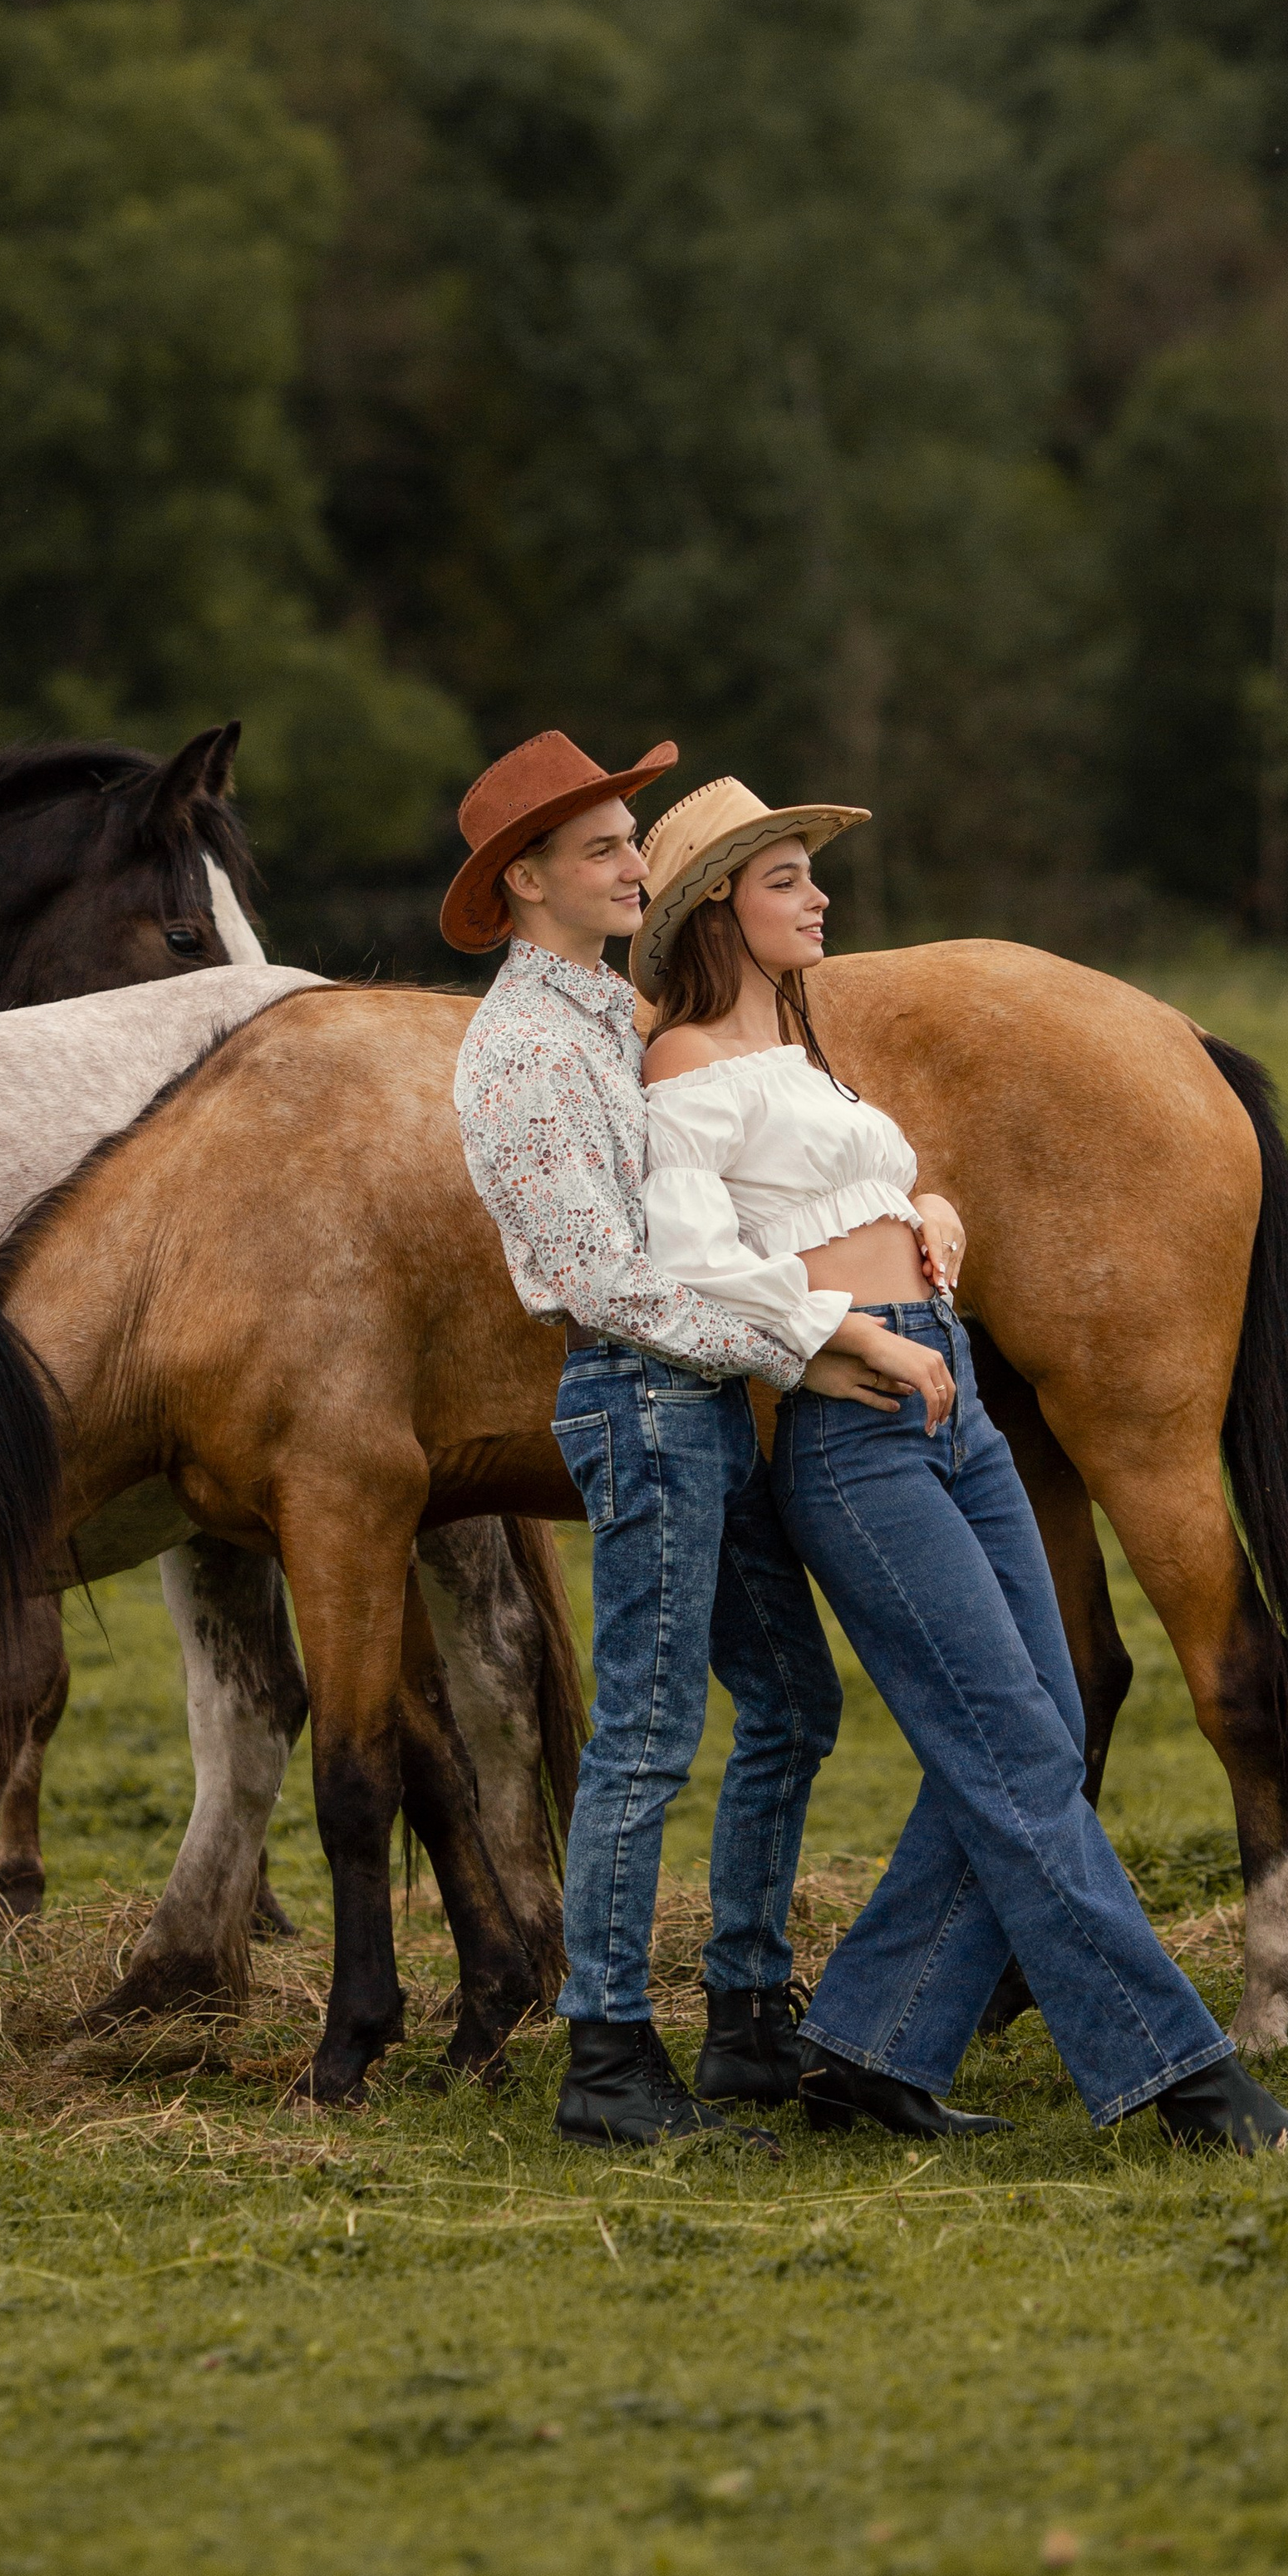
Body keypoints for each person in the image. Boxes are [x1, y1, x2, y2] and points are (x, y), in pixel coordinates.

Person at [633, 775, 1288, 2156]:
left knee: (1056, 1718)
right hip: (863, 1419)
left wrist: (929, 1206)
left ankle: (867, 2046)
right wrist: (844, 1338)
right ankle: (1183, 2077)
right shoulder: (684, 1063)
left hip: (950, 1387)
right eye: (785, 876)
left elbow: (853, 1187)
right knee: (1014, 1745)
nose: (818, 894)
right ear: (720, 903)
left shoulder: (800, 1040)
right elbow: (691, 1262)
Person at [445, 732, 864, 2150]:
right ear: (526, 882)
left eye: (635, 840)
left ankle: (746, 2016)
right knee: (644, 1731)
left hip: (706, 1401)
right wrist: (811, 1337)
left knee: (797, 1701)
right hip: (642, 1400)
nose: (641, 865)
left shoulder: (615, 1022)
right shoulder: (517, 1053)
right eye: (608, 848)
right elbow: (611, 1280)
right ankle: (608, 2054)